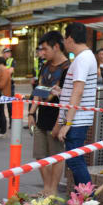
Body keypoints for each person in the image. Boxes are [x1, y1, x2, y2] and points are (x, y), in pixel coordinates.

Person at [53, 23, 97, 185]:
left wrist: (67, 123)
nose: (64, 42)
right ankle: (83, 201)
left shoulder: (83, 59)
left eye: (65, 38)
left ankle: (88, 201)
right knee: (74, 160)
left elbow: (78, 91)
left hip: (77, 120)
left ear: (70, 38)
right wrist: (62, 92)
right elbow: (75, 90)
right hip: (77, 118)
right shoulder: (84, 57)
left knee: (75, 161)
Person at [29, 30, 70, 195]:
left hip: (57, 118)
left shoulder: (68, 68)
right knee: (40, 155)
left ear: (57, 47)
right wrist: (31, 113)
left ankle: (52, 190)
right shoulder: (45, 65)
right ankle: (46, 189)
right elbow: (40, 90)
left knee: (56, 156)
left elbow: (66, 99)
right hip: (42, 116)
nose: (42, 53)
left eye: (45, 49)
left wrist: (59, 124)